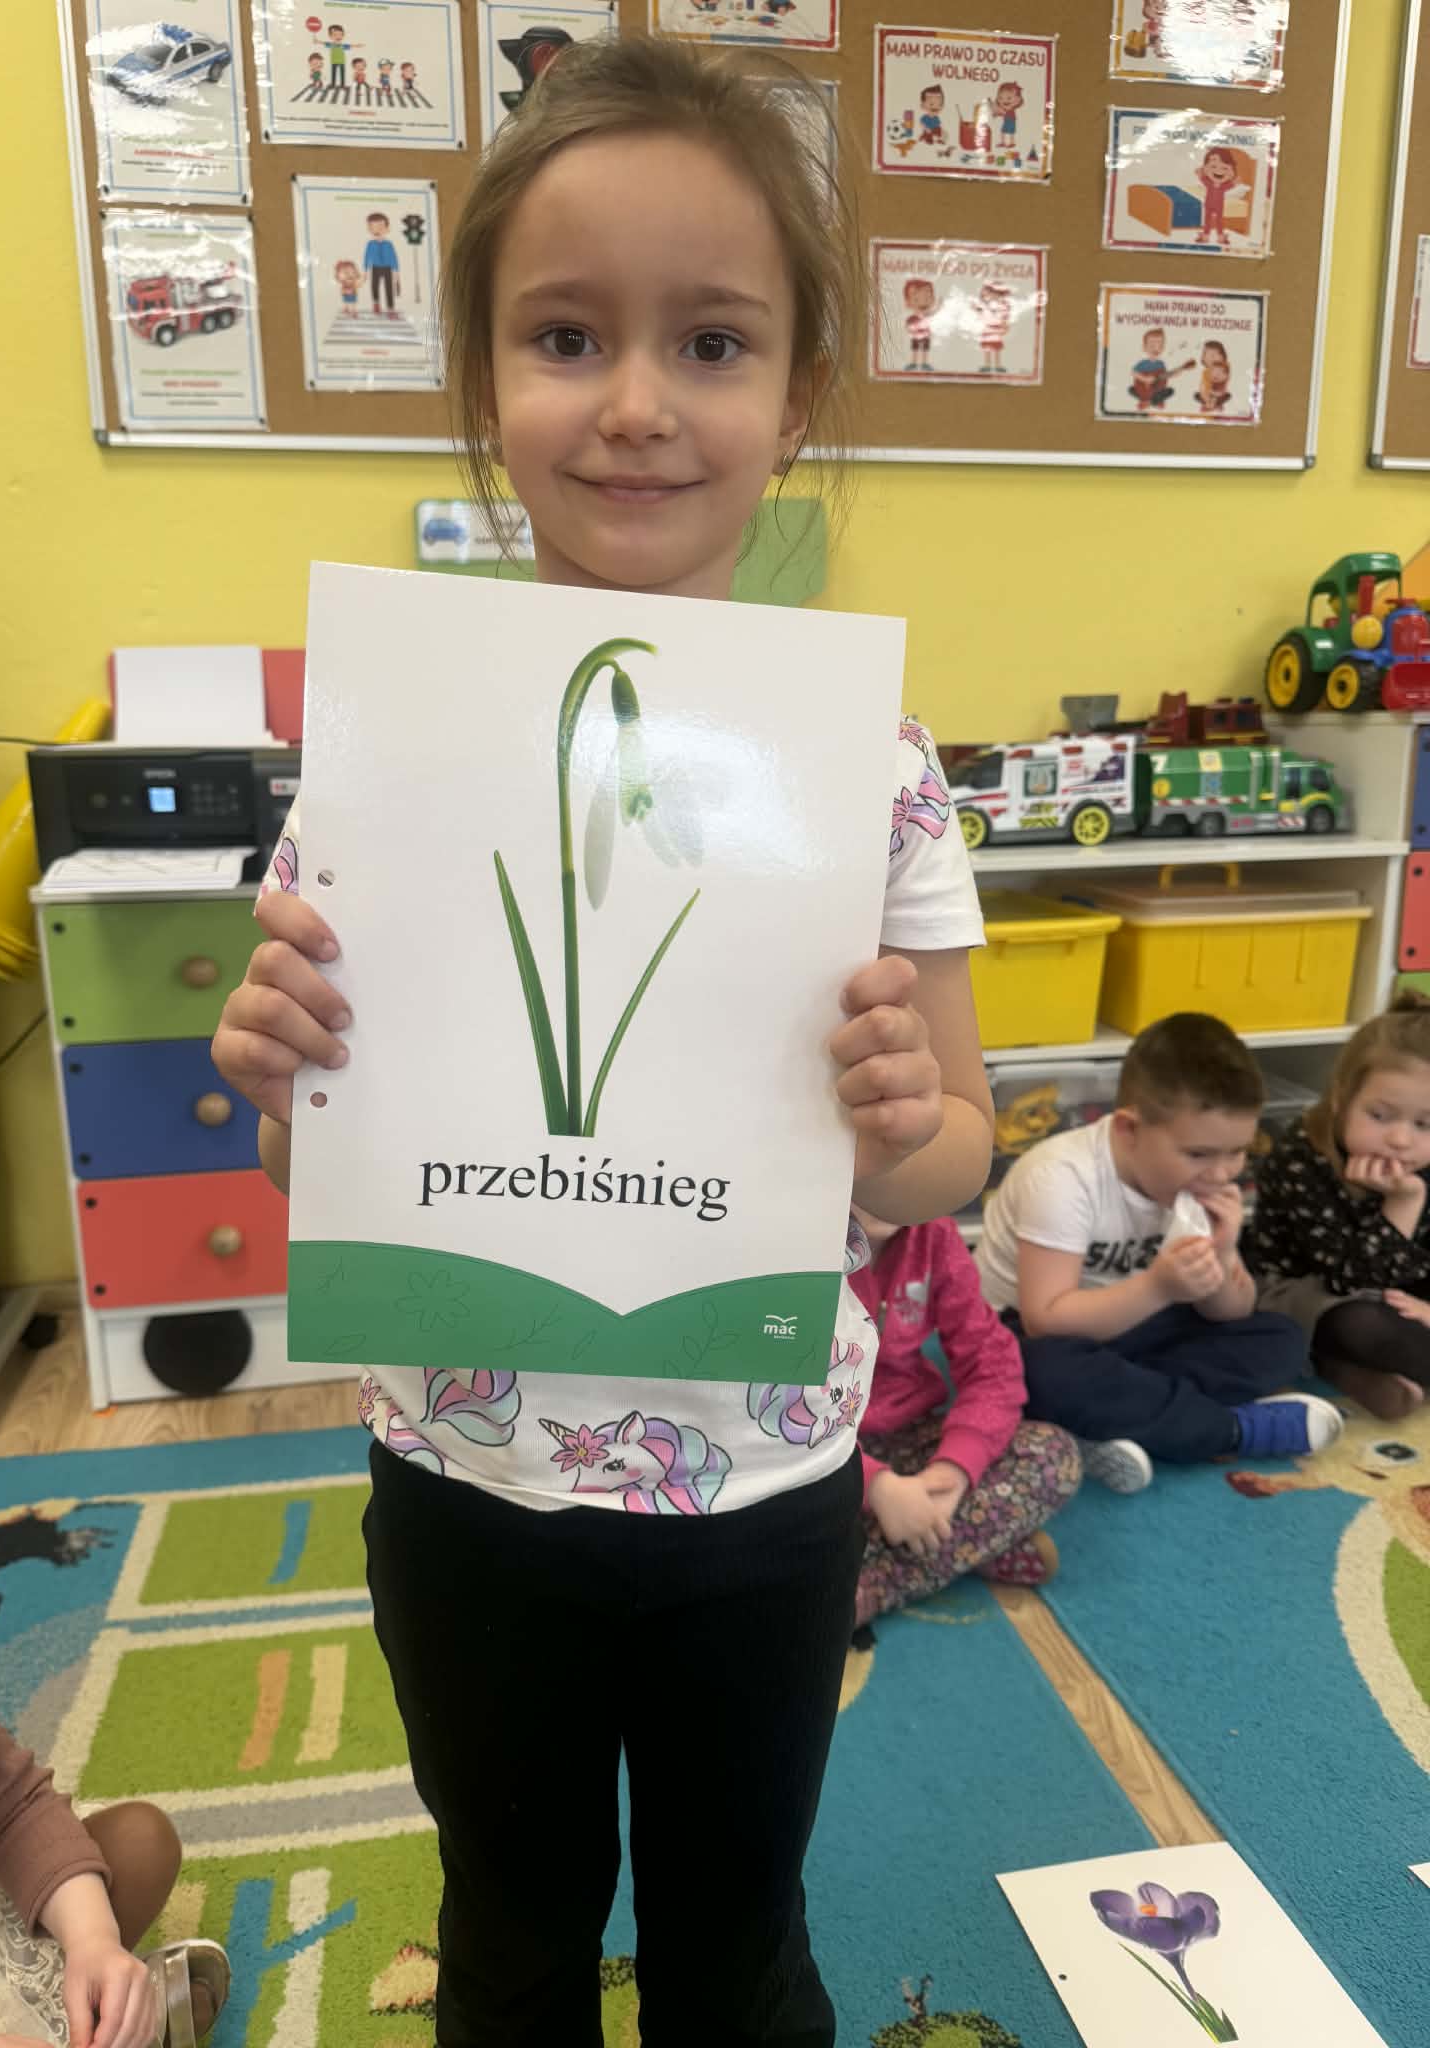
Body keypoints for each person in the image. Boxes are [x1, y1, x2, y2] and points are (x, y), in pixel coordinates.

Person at [212, 36, 992, 2048]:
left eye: (711, 343)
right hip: (466, 1481)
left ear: (798, 395)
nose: (638, 403)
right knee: (513, 1932)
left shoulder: (870, 768)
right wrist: (280, 1081)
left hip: (770, 1484)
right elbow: (318, 1166)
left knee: (738, 1945)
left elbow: (957, 1152)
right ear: (483, 381)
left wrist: (900, 1114)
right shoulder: (386, 757)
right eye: (567, 337)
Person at [976, 1012, 1340, 1494]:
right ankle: (1232, 1430)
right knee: (1044, 1373)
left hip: (1137, 1327)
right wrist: (1159, 1287)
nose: (1221, 1173)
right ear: (1129, 1129)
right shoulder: (1061, 1178)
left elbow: (1231, 1312)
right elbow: (1045, 1320)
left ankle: (1121, 1417)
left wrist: (1223, 1252)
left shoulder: (1200, 1184)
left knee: (1282, 1338)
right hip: (1031, 1330)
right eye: (1199, 1154)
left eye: (1238, 1152)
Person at [0, 1529, 230, 2048]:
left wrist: (93, 1940)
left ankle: (92, 2017)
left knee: (138, 1843)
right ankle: (105, 2028)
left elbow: (14, 1807)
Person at [851, 1206, 1080, 1628]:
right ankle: (971, 1544)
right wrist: (873, 1486)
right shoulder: (790, 1242)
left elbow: (992, 1366)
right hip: (817, 1453)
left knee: (1054, 1456)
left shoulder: (933, 1235)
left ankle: (872, 1581)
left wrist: (952, 1471)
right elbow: (764, 1411)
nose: (887, 1189)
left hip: (908, 1434)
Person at [1246, 996, 1430, 1421]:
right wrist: (1404, 1202)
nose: (1401, 1139)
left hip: (1406, 1289)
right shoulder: (1299, 1155)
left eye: (1424, 1124)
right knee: (1361, 1325)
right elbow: (1349, 1279)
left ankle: (1350, 1373)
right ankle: (1331, 1361)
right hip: (1312, 1293)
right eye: (1380, 1115)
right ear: (1341, 1098)